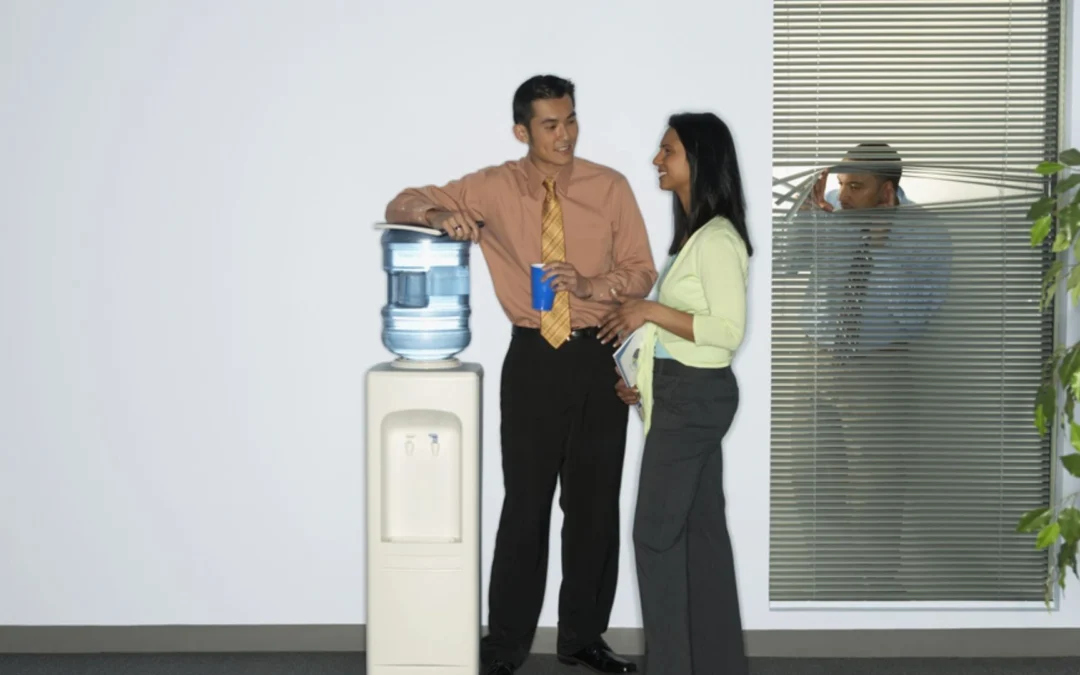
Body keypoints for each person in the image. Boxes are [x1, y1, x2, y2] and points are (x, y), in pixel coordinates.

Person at [383, 74, 656, 675]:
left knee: (593, 507)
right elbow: (400, 203)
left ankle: (582, 637)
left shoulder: (610, 188)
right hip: (533, 358)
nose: (565, 135)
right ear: (522, 130)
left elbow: (641, 272)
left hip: (600, 353)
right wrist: (436, 214)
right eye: (551, 125)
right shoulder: (490, 188)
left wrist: (591, 285)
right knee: (526, 505)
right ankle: (505, 645)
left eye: (572, 120)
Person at [597, 112, 752, 675]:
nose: (657, 161)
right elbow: (683, 338)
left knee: (655, 540)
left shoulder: (717, 240)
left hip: (694, 402)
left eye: (668, 151)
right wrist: (640, 381)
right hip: (686, 395)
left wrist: (647, 309)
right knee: (700, 537)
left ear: (700, 160)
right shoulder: (695, 237)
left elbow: (725, 333)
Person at [779, 142, 953, 595]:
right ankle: (827, 584)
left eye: (856, 186)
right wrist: (806, 216)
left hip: (878, 368)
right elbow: (787, 263)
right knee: (808, 476)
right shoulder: (831, 211)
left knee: (875, 489)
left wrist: (881, 248)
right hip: (813, 361)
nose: (845, 195)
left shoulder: (925, 232)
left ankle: (874, 592)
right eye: (840, 184)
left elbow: (916, 317)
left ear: (887, 190)